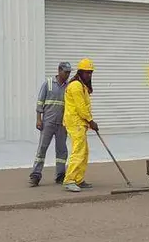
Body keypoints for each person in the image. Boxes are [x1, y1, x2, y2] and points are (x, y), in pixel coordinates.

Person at [29, 62, 72, 187]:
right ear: (59, 70)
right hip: (48, 122)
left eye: (69, 72)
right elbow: (40, 102)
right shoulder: (48, 83)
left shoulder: (69, 86)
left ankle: (60, 175)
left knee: (62, 150)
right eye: (65, 72)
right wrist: (39, 119)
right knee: (42, 148)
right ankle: (35, 175)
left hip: (62, 124)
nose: (67, 74)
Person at [63, 58, 98, 192]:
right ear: (80, 72)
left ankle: (78, 179)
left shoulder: (81, 85)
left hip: (80, 123)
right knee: (78, 151)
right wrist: (91, 121)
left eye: (90, 73)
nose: (89, 75)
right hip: (75, 122)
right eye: (86, 72)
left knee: (84, 151)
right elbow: (81, 107)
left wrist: (88, 122)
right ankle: (70, 180)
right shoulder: (76, 86)